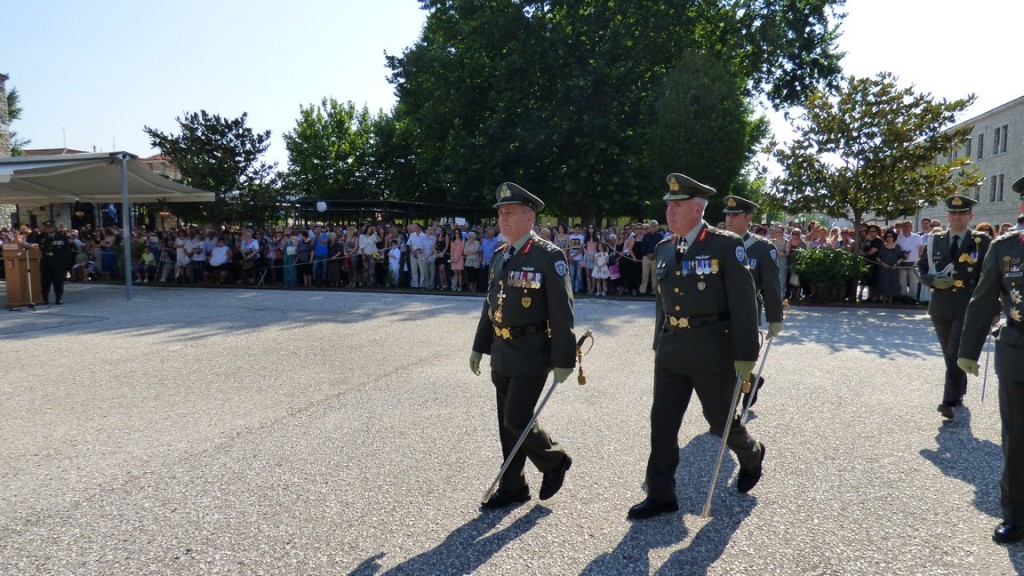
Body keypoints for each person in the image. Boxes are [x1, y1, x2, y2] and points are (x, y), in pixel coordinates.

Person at [628, 173, 764, 520]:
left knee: (720, 421)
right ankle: (660, 494)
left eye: (677, 205)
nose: (670, 211)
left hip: (711, 350)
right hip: (673, 350)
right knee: (662, 422)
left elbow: (744, 304)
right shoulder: (664, 248)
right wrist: (659, 342)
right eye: (668, 205)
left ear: (698, 209)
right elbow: (662, 304)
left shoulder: (723, 245)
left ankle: (751, 453)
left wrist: (746, 355)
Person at [469, 182, 576, 509]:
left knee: (517, 418)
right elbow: (492, 305)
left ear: (530, 218)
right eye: (501, 212)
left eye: (511, 212)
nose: (503, 218)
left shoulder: (547, 256)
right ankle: (513, 485)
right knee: (506, 423)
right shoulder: (501, 255)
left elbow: (562, 312)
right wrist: (478, 346)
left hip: (531, 351)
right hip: (501, 351)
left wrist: (564, 357)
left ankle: (554, 460)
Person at [957, 177, 1024, 544]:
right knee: (1016, 436)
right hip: (1017, 348)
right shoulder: (1005, 248)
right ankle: (1015, 514)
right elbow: (983, 301)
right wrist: (967, 350)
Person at [917, 194, 992, 420]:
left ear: (970, 216)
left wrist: (993, 305)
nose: (956, 217)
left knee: (954, 352)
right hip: (940, 305)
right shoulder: (935, 240)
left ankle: (948, 401)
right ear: (947, 215)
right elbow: (919, 268)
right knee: (950, 352)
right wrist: (931, 280)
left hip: (968, 303)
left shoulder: (982, 241)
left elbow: (991, 274)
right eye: (953, 213)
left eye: (961, 213)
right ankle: (959, 390)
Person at [26, 220, 73, 305]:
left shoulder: (62, 237)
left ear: (54, 228)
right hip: (46, 262)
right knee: (45, 283)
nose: (48, 229)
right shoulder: (41, 236)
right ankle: (45, 299)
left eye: (50, 228)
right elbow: (29, 240)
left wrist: (66, 265)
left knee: (58, 282)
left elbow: (68, 252)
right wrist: (36, 231)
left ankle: (58, 298)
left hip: (58, 263)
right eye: (46, 228)